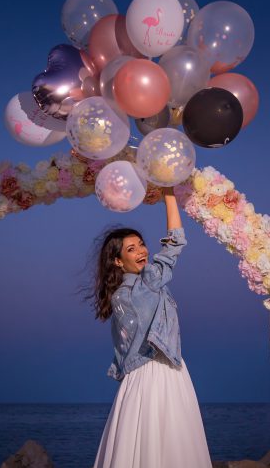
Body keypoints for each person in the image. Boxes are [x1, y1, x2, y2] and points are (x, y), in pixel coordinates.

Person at [89, 187, 213, 468]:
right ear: (119, 261)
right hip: (158, 372)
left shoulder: (119, 295)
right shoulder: (144, 283)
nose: (143, 251)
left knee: (141, 447)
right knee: (169, 444)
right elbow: (175, 244)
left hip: (148, 373)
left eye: (141, 244)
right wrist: (169, 192)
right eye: (131, 249)